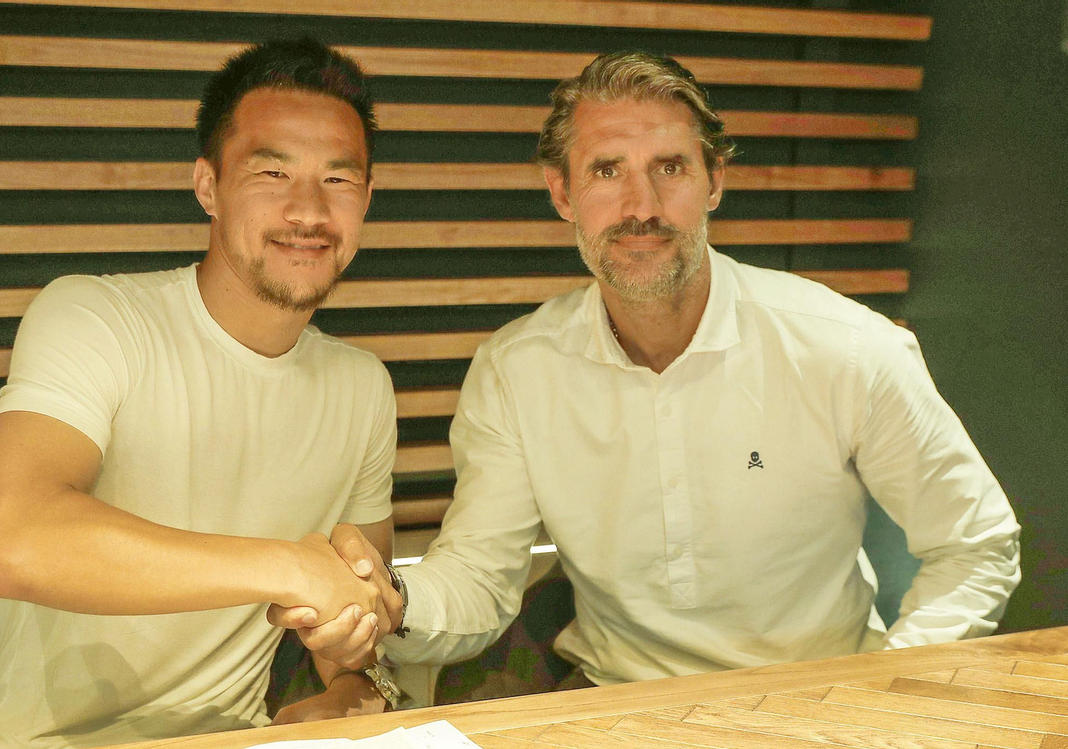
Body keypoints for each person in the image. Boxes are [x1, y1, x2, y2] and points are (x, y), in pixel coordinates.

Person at [278, 51, 1021, 689]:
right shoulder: (517, 369)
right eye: (607, 170)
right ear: (562, 192)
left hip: (819, 697)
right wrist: (392, 597)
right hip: (611, 703)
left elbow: (976, 542)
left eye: (670, 167)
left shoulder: (846, 348)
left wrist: (888, 690)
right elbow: (481, 576)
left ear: (714, 182)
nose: (642, 206)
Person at [0, 38, 403, 749]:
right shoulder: (95, 317)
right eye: (272, 171)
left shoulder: (362, 388)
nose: (308, 210)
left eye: (338, 181)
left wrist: (350, 682)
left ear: (366, 201)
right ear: (208, 186)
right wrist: (286, 565)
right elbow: (12, 537)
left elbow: (351, 627)